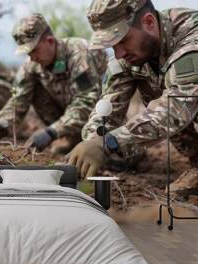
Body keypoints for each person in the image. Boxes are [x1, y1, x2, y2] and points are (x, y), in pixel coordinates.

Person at [67, 0, 198, 191]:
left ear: (149, 22)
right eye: (112, 45)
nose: (118, 53)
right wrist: (92, 141)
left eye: (122, 41)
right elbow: (107, 107)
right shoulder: (133, 52)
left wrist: (109, 143)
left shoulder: (192, 40)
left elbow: (177, 108)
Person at [0, 13, 108, 154]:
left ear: (50, 41)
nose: (32, 58)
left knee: (118, 158)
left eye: (34, 50)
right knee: (33, 88)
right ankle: (71, 138)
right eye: (28, 53)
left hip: (102, 117)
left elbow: (87, 100)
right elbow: (18, 98)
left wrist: (52, 132)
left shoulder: (79, 54)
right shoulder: (31, 65)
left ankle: (90, 140)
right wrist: (4, 122)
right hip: (68, 118)